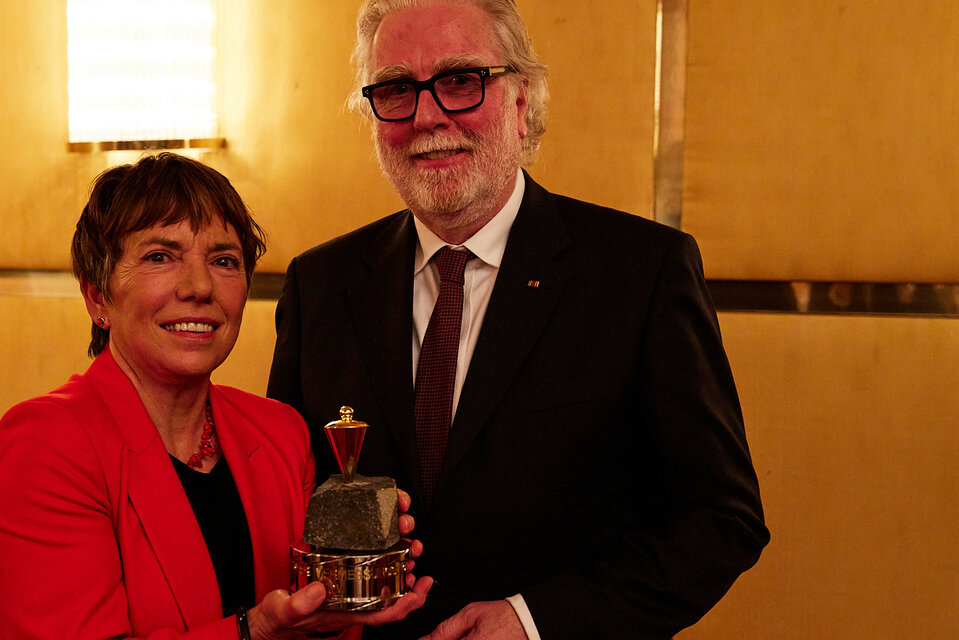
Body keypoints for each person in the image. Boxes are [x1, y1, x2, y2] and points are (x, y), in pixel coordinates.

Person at [267, 1, 769, 638]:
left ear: (522, 100)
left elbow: (719, 520)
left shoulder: (640, 273)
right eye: (395, 89)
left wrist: (535, 622)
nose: (426, 116)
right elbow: (277, 503)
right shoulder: (319, 284)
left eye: (460, 80)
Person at [0, 153, 431, 639]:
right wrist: (255, 632)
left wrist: (346, 588)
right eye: (160, 256)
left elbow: (310, 623)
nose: (200, 287)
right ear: (98, 295)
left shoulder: (280, 433)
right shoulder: (44, 444)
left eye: (224, 261)